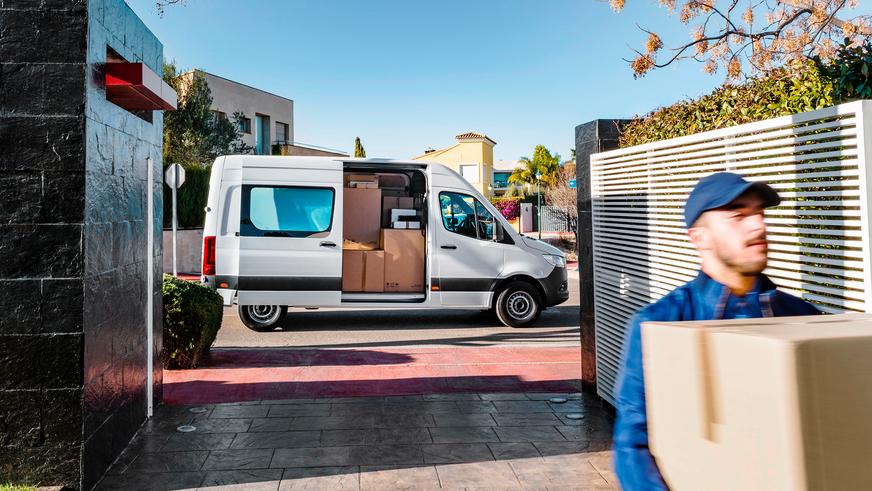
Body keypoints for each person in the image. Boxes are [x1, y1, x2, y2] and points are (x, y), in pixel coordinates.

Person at [612, 172, 821, 490]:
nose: (758, 226)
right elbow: (632, 446)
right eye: (738, 215)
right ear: (699, 237)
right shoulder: (659, 325)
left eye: (759, 213)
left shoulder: (804, 318)